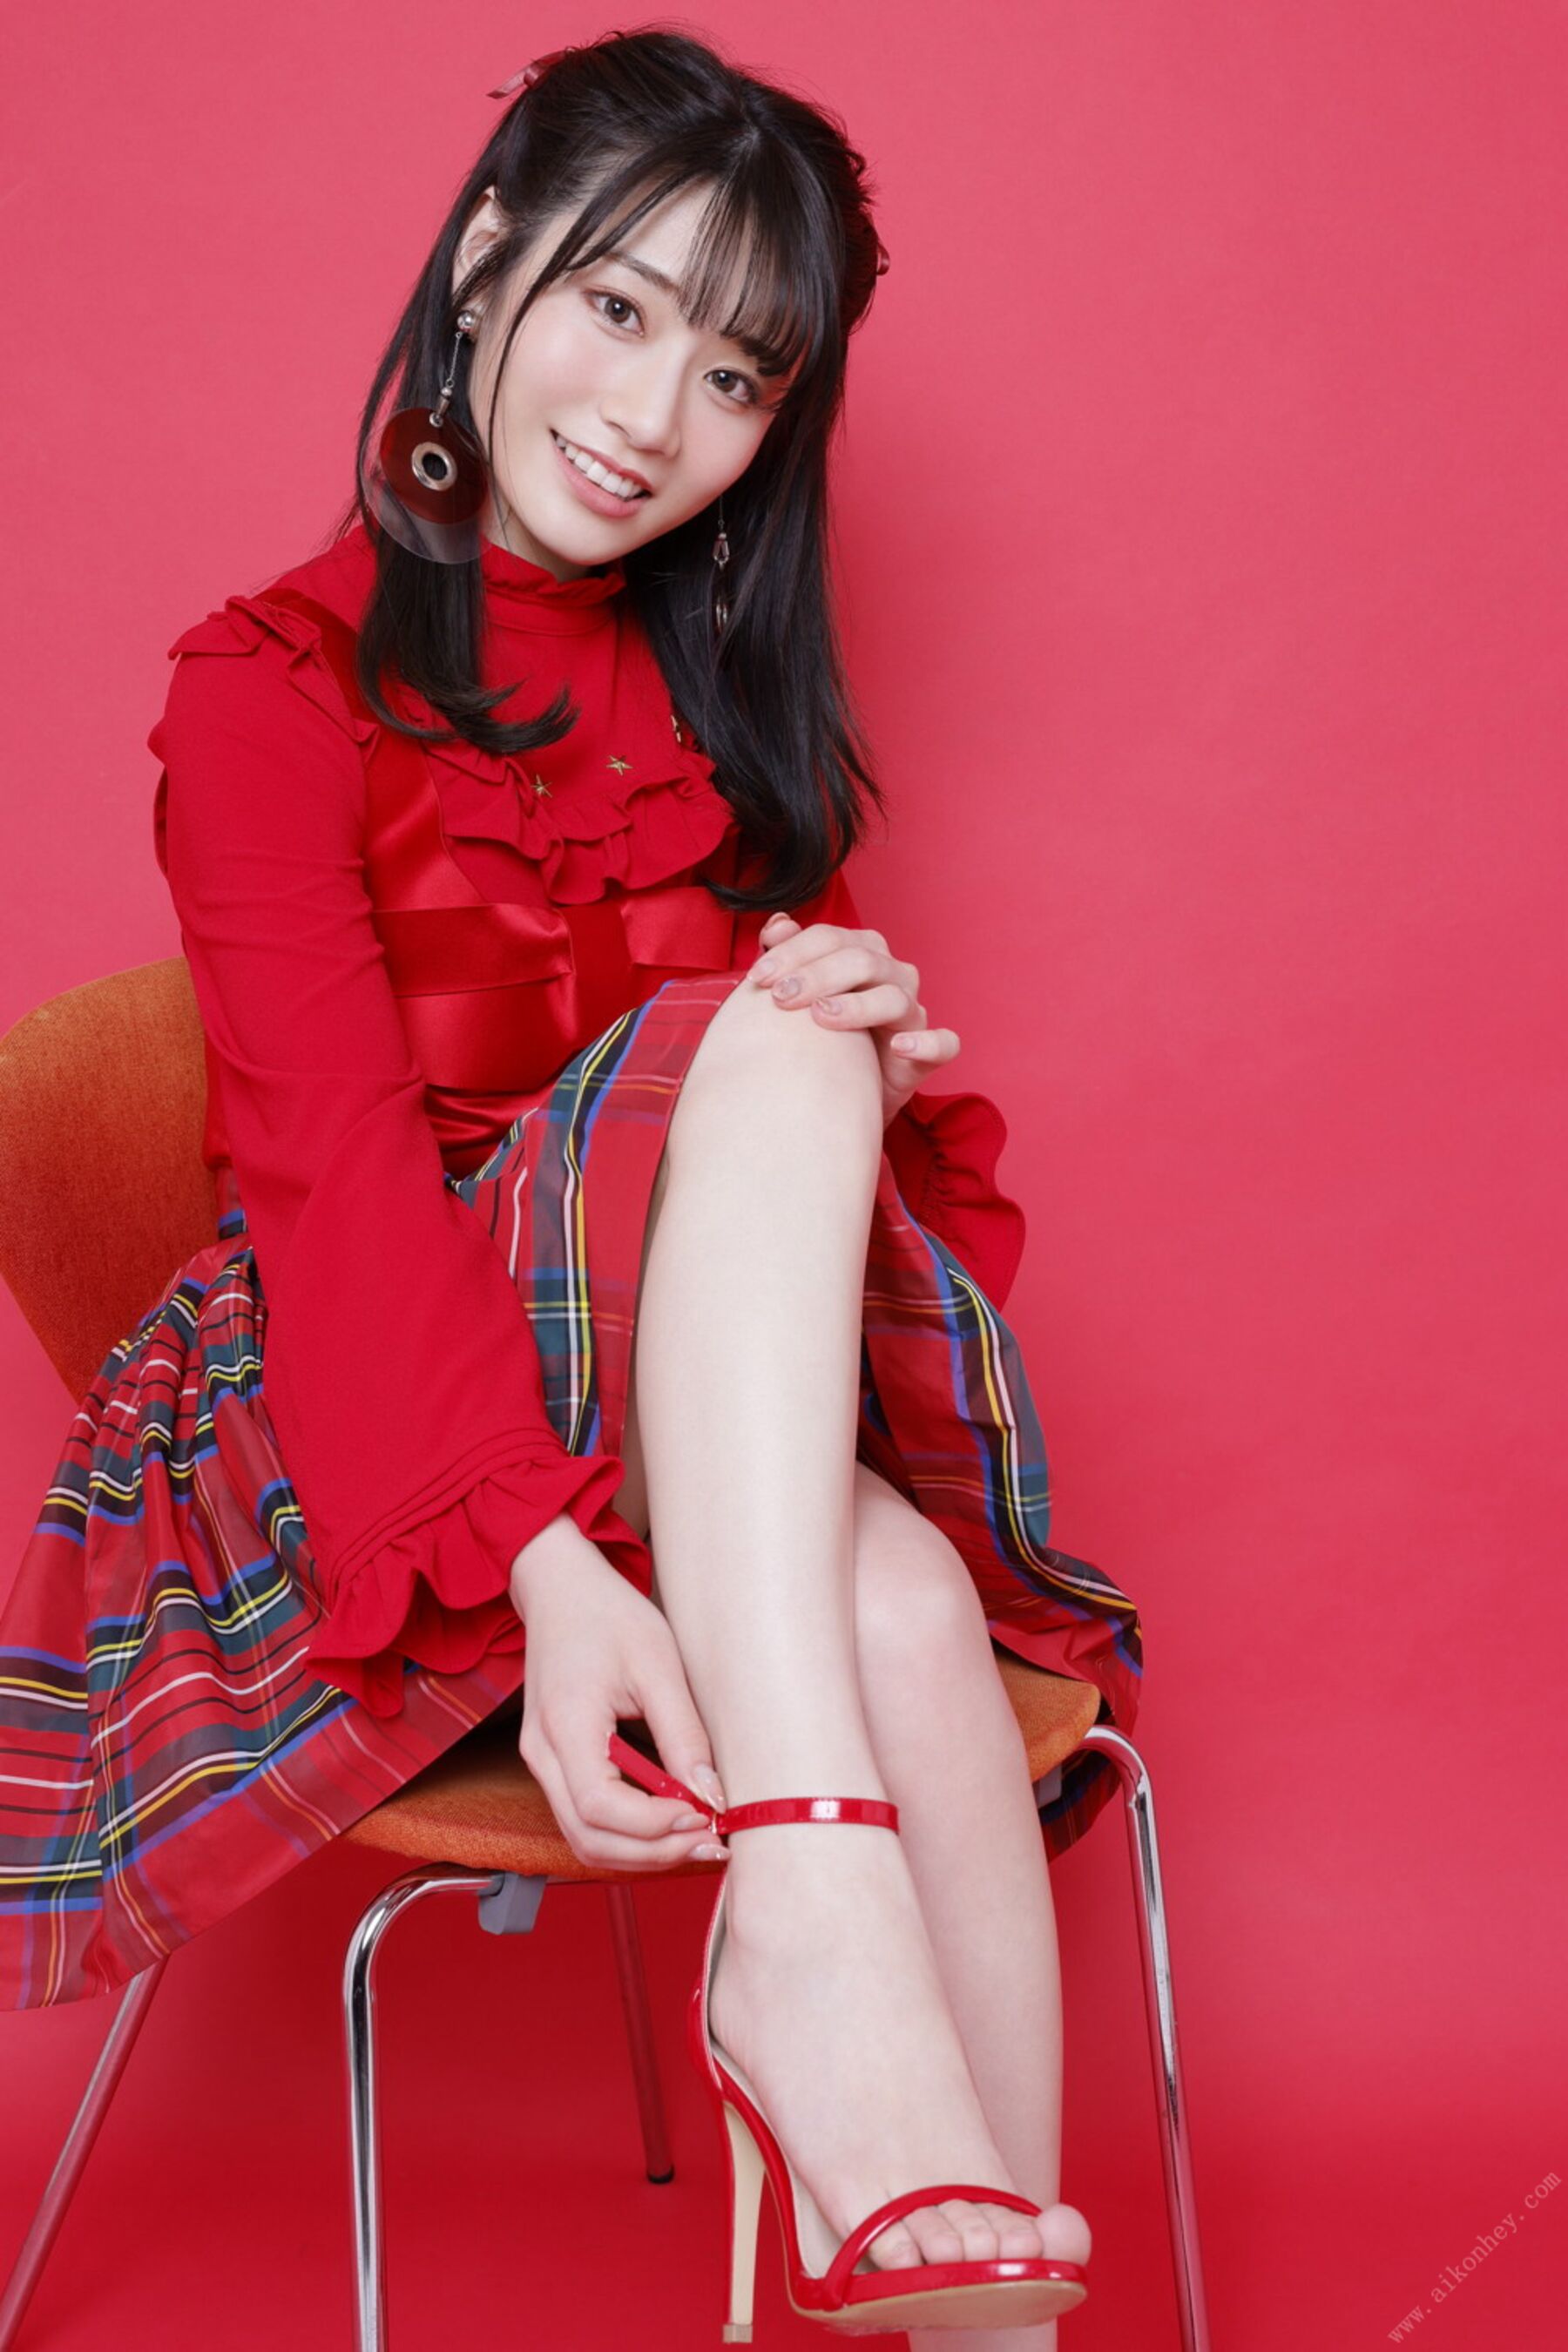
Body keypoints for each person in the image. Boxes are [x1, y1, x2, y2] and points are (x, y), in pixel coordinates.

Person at [0, 28, 1143, 2342]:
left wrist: (865, 1069)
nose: (652, 416)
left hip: (677, 1443)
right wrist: (537, 1570)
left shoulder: (718, 711)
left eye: (734, 377)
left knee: (906, 1604)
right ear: (487, 262)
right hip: (368, 1436)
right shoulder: (268, 684)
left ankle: (964, 2267)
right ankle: (811, 1931)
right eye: (617, 308)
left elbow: (771, 1254)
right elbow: (328, 1179)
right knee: (785, 1167)